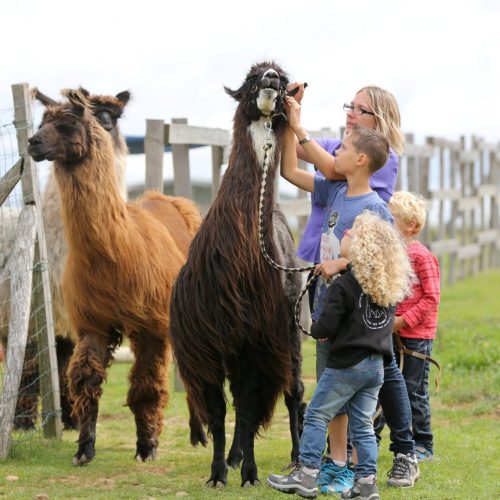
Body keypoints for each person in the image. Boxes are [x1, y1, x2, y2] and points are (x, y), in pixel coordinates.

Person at [286, 84, 420, 492]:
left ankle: (382, 457)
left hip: (359, 285)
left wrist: (298, 126)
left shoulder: (383, 160)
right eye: (350, 106)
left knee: (363, 375)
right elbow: (298, 166)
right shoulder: (342, 152)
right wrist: (288, 122)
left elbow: (328, 167)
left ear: (375, 122)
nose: (349, 114)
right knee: (342, 369)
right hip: (325, 278)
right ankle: (347, 464)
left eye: (359, 110)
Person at [267, 211, 414, 500]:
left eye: (351, 233)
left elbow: (326, 326)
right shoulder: (386, 289)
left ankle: (306, 475)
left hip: (345, 366)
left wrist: (319, 329)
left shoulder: (343, 286)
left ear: (361, 246)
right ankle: (365, 484)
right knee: (363, 426)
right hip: (375, 369)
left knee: (316, 416)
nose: (344, 234)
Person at [387, 191, 441, 462]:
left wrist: (403, 320)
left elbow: (432, 297)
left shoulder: (421, 257)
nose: (388, 223)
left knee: (414, 391)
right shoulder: (394, 257)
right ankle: (395, 439)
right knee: (391, 387)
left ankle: (424, 444)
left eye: (392, 218)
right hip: (394, 334)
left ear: (411, 225)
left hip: (416, 335)